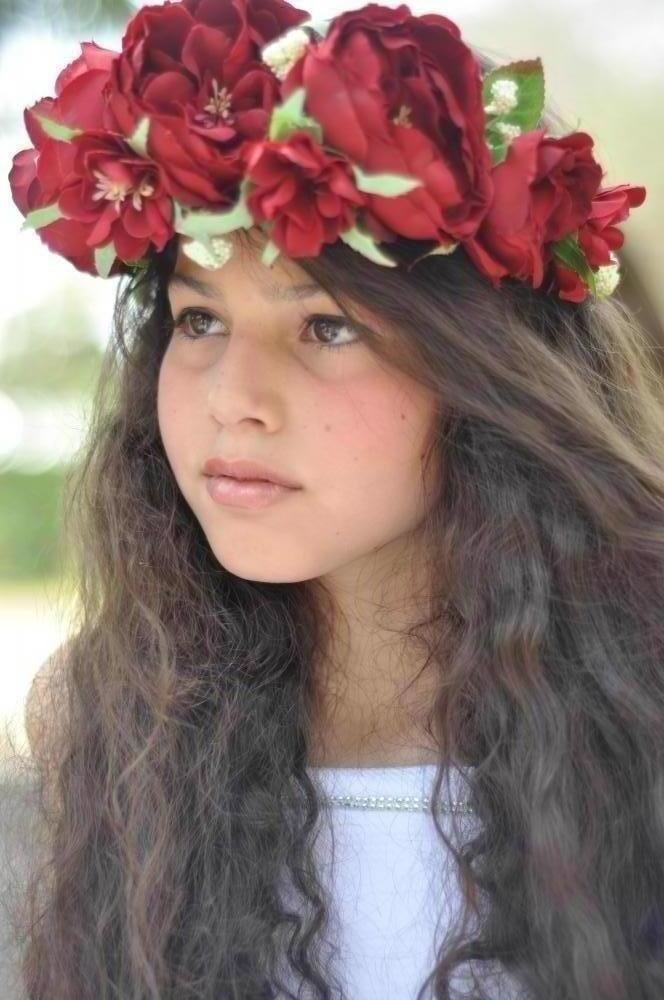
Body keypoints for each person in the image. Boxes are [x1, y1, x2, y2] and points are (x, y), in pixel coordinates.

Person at [4, 1, 662, 998]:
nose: (233, 399)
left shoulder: (641, 703)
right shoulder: (112, 716)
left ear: (488, 372)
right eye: (198, 319)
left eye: (326, 328)